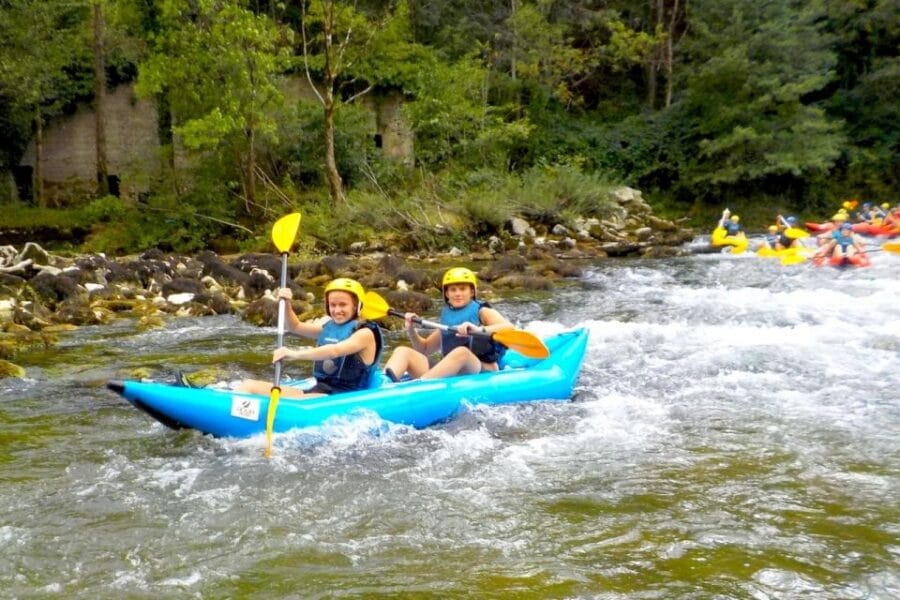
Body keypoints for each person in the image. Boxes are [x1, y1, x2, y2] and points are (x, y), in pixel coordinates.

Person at [235, 278, 383, 399]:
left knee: (288, 401)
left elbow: (335, 351)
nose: (337, 310)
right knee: (248, 385)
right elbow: (295, 327)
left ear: (357, 306)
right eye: (333, 305)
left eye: (343, 305)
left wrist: (294, 354)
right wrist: (287, 304)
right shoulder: (329, 328)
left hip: (341, 397)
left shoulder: (365, 333)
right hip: (319, 391)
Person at [382, 267, 512, 382]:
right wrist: (410, 329)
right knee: (402, 351)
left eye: (462, 289)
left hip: (481, 370)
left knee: (461, 352)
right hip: (450, 371)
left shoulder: (482, 311)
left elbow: (509, 328)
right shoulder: (447, 316)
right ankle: (384, 386)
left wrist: (478, 329)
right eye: (453, 290)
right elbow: (425, 349)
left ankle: (420, 386)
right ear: (447, 293)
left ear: (472, 292)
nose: (457, 293)